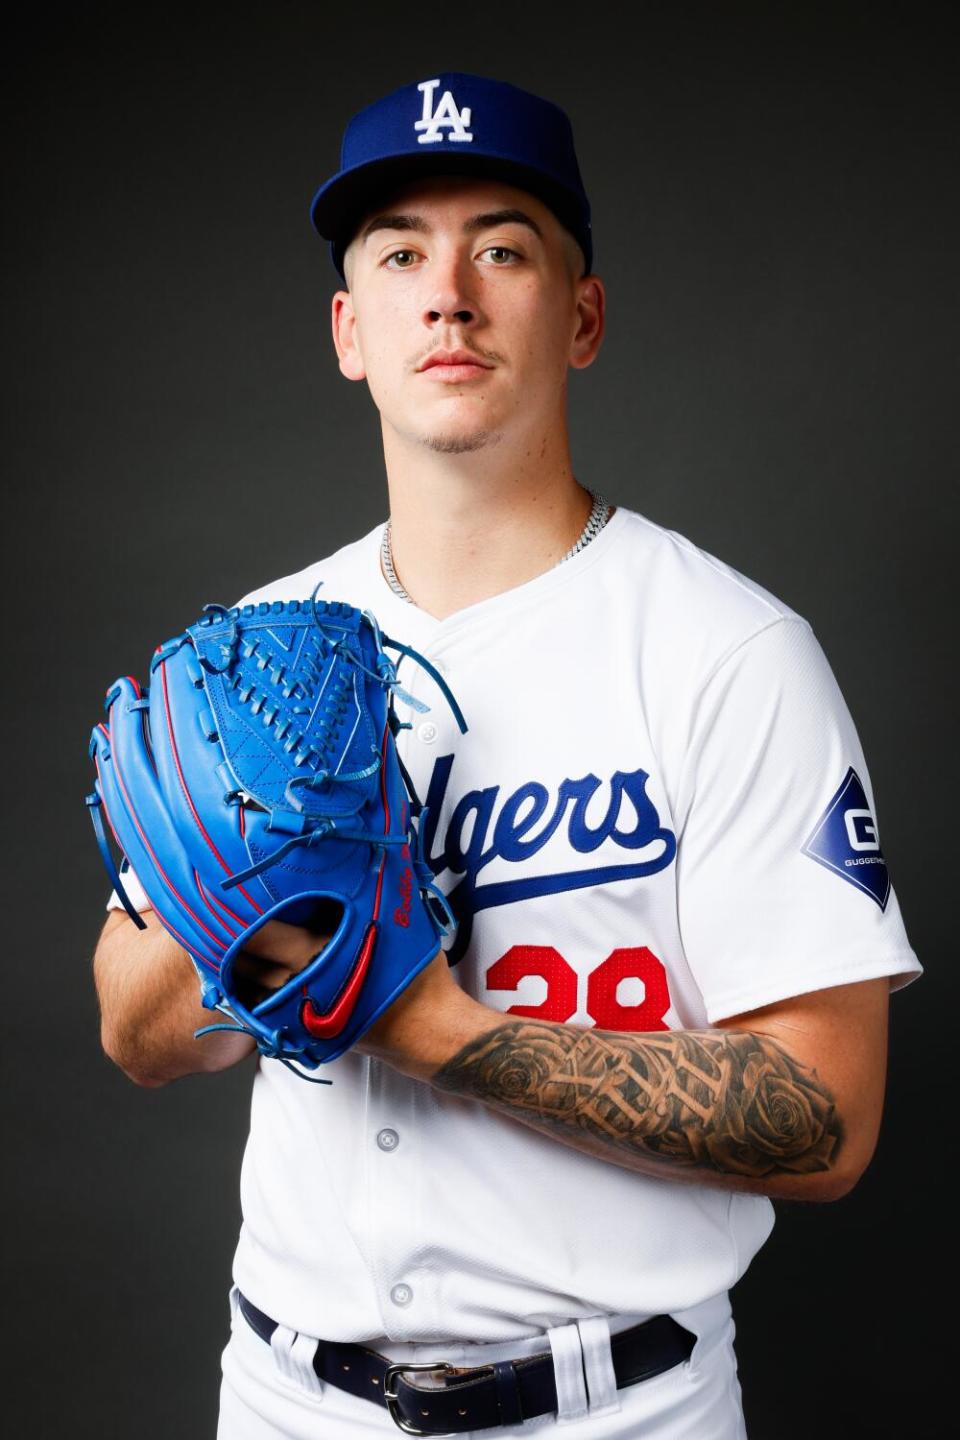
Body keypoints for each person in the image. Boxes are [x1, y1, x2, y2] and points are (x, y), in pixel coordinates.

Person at [93, 73, 921, 1439]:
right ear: (351, 331)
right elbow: (132, 1034)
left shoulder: (728, 650)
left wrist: (437, 1034)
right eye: (403, 252)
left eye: (504, 248)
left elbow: (828, 1123)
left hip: (619, 1409)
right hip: (294, 1403)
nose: (452, 292)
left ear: (581, 316)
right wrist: (255, 900)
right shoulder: (246, 659)